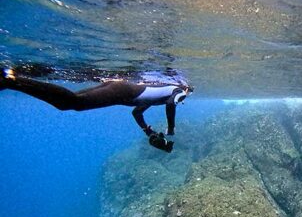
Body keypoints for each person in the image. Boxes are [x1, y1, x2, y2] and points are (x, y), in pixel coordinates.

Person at [0, 68, 193, 152]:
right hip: (121, 91)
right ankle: (11, 80)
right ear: (187, 89)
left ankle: (12, 81)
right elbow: (171, 105)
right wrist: (171, 130)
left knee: (67, 103)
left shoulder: (160, 93)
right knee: (72, 102)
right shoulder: (180, 91)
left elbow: (136, 112)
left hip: (120, 89)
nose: (185, 98)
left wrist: (148, 131)